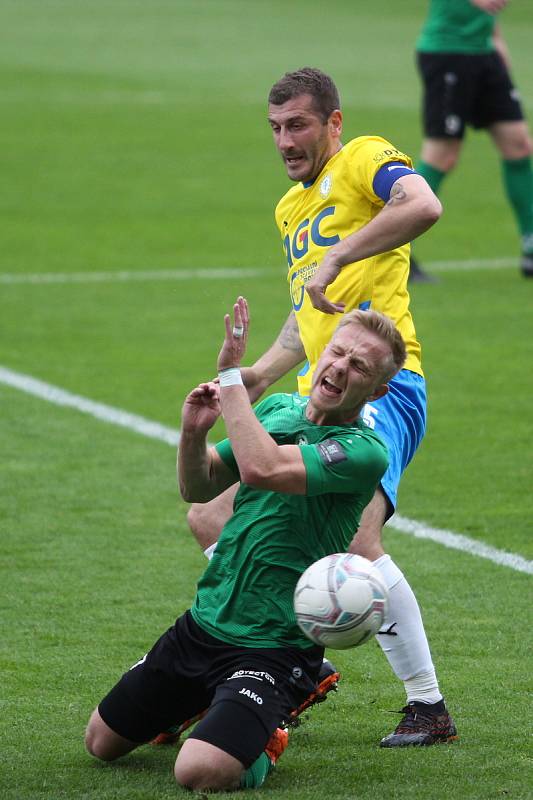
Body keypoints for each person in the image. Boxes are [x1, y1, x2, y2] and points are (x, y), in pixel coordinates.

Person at [187, 67, 457, 748]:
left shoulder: (362, 157)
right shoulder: (289, 207)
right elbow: (304, 313)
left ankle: (426, 704)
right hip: (315, 387)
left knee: (360, 540)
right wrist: (255, 374)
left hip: (380, 387)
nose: (285, 139)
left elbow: (423, 206)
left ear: (332, 122)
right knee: (209, 514)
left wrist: (337, 254)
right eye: (275, 127)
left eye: (298, 124)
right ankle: (301, 657)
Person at [85, 298, 409, 792]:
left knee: (199, 773)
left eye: (359, 365)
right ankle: (209, 704)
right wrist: (193, 434)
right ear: (321, 354)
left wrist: (230, 376)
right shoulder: (279, 408)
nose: (340, 367)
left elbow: (264, 468)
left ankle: (268, 738)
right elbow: (201, 486)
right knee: (101, 744)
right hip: (205, 622)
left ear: (377, 389)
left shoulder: (365, 453)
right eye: (337, 352)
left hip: (273, 647)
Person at [411, 0, 533, 282]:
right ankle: (391, 248)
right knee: (442, 155)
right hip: (447, 52)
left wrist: (496, 39)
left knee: (518, 145)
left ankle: (530, 247)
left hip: (484, 51)